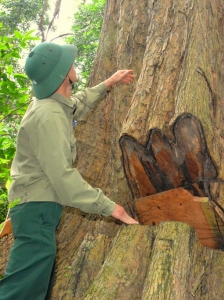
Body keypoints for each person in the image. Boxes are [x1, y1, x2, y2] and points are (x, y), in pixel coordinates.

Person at [0, 42, 139, 300]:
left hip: (38, 208)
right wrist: (111, 208)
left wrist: (109, 82)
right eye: (70, 64)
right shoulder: (48, 116)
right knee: (23, 288)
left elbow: (75, 105)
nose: (73, 66)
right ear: (64, 74)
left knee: (37, 281)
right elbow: (64, 179)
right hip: (35, 209)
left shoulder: (55, 104)